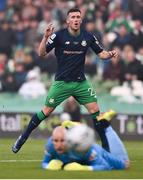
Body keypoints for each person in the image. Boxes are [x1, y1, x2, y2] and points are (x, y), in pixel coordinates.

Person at [12, 8, 118, 153]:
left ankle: (106, 148)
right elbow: (41, 53)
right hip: (62, 82)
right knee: (46, 111)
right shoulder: (58, 36)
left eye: (78, 17)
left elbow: (102, 54)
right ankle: (22, 138)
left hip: (81, 83)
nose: (75, 19)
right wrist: (45, 37)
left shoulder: (88, 37)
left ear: (81, 20)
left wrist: (110, 54)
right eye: (73, 17)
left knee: (95, 110)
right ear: (67, 21)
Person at [42, 114, 130, 171]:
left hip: (97, 150)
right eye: (56, 140)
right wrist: (48, 166)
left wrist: (82, 168)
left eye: (62, 140)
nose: (58, 144)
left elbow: (105, 166)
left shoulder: (83, 148)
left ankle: (106, 125)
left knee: (123, 165)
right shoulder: (50, 145)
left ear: (69, 140)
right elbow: (44, 163)